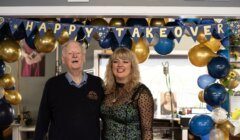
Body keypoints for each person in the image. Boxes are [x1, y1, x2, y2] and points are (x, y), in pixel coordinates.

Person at [34, 40, 104, 140]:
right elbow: (42, 121)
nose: (75, 56)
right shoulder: (52, 85)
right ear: (63, 59)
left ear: (83, 57)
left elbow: (108, 118)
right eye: (70, 53)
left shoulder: (97, 83)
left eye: (78, 53)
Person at [101, 47, 154, 140]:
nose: (120, 65)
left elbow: (147, 131)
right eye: (115, 61)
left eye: (125, 61)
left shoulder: (141, 93)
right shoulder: (106, 91)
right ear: (111, 66)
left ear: (132, 66)